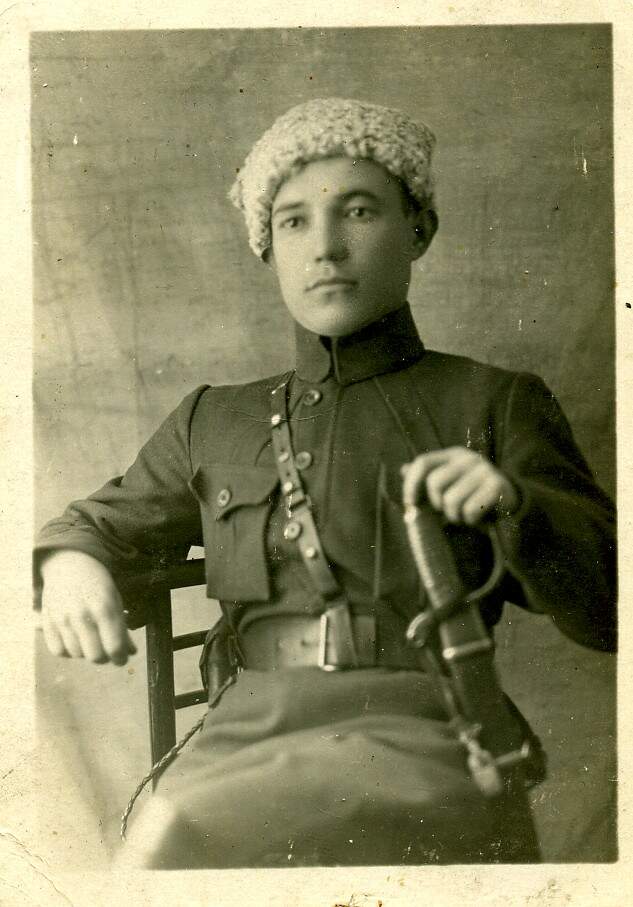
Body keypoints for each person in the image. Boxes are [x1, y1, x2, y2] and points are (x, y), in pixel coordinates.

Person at [34, 98, 616, 868]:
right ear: (267, 249)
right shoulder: (213, 419)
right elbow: (94, 525)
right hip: (242, 729)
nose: (326, 247)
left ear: (418, 231)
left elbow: (608, 608)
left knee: (174, 838)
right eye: (293, 222)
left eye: (359, 211)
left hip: (426, 728)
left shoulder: (489, 401)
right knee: (163, 846)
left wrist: (512, 503)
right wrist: (71, 564)